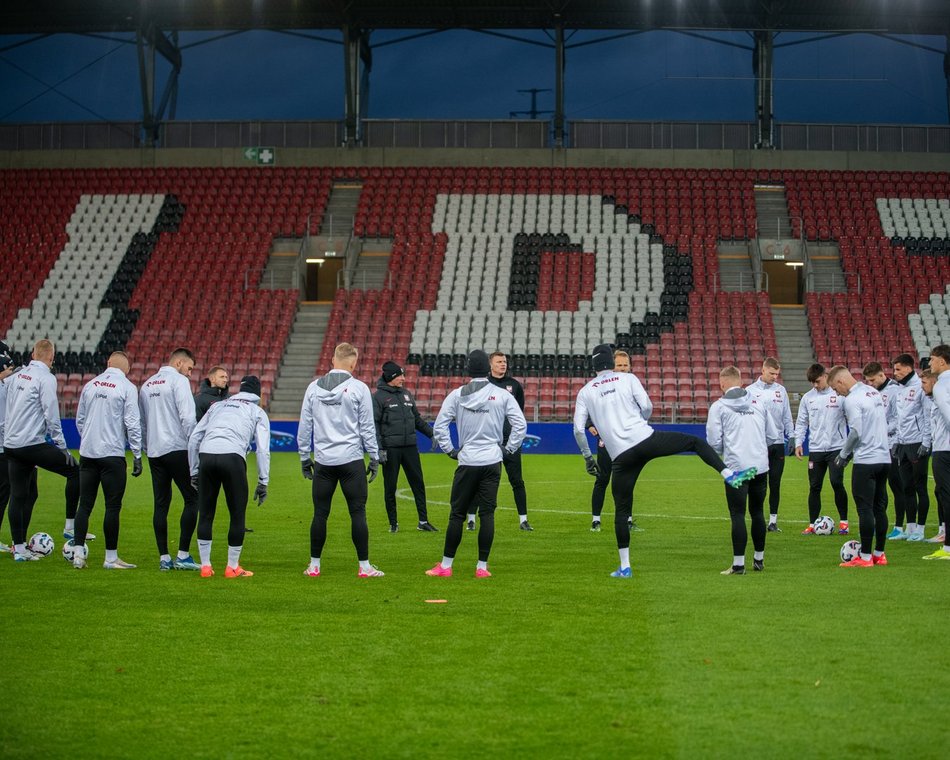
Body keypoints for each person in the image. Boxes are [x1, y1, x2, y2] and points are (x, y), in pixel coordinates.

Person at [573, 343, 757, 579]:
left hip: (621, 456)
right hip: (646, 439)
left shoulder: (585, 391)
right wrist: (639, 423)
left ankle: (625, 566)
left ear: (594, 365)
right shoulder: (627, 379)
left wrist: (588, 457)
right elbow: (647, 406)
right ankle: (728, 474)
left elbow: (579, 429)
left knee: (621, 510)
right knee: (694, 442)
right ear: (611, 362)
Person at [426, 350, 527, 578]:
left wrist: (450, 450)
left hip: (468, 460)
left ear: (469, 369)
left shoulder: (457, 394)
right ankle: (482, 567)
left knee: (457, 515)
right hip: (492, 461)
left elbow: (440, 426)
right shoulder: (501, 394)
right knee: (487, 514)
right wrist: (508, 449)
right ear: (487, 368)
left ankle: (446, 565)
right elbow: (520, 424)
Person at [298, 342, 383, 578]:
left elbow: (305, 426)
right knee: (358, 513)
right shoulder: (359, 388)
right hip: (351, 460)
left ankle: (314, 565)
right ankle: (364, 567)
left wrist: (305, 457)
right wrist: (374, 457)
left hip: (324, 461)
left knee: (320, 513)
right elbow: (367, 427)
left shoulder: (313, 388)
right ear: (354, 363)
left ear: (332, 360)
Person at [3, 339, 81, 561]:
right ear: (52, 357)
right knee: (74, 470)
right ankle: (69, 526)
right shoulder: (45, 378)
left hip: (11, 444)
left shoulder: (17, 376)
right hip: (31, 443)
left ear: (33, 354)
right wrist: (62, 447)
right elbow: (51, 414)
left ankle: (19, 550)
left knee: (20, 494)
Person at [188, 375, 269, 578]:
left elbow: (194, 438)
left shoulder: (218, 406)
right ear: (257, 394)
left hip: (207, 455)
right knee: (237, 514)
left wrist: (194, 471)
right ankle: (232, 567)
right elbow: (262, 449)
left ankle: (205, 567)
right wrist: (263, 481)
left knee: (206, 513)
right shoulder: (256, 411)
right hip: (232, 457)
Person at [71, 351, 143, 570]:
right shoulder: (127, 387)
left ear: (108, 362)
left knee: (85, 505)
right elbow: (132, 422)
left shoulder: (90, 385)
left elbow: (80, 420)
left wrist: (90, 440)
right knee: (112, 507)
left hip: (88, 453)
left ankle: (77, 554)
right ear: (127, 369)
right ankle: (110, 558)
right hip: (112, 454)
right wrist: (137, 454)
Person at [706, 366, 775, 574]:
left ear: (722, 383)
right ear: (741, 381)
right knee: (757, 513)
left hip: (737, 469)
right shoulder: (759, 402)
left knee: (737, 514)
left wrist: (727, 449)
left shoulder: (719, 407)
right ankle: (759, 560)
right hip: (759, 467)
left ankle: (738, 565)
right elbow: (772, 435)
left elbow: (713, 441)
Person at [140, 348, 201, 571]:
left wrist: (147, 448)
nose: (190, 373)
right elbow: (187, 417)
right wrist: (195, 447)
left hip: (155, 452)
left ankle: (164, 558)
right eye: (190, 368)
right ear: (179, 363)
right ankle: (183, 555)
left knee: (161, 504)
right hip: (177, 448)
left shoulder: (147, 385)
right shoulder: (178, 381)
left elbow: (143, 423)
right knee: (193, 498)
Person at [827, 366, 891, 567]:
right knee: (880, 508)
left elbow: (856, 431)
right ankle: (879, 554)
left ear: (840, 382)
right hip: (884, 458)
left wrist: (843, 455)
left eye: (836, 390)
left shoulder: (852, 400)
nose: (837, 394)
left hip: (866, 460)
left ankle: (864, 557)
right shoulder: (873, 392)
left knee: (865, 509)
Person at [465, 351, 532, 531]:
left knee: (517, 480)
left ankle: (523, 520)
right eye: (499, 362)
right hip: (488, 441)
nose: (503, 364)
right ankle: (471, 518)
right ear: (490, 365)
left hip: (509, 442)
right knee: (479, 481)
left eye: (504, 361)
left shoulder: (514, 385)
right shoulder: (483, 385)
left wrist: (513, 441)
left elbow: (518, 414)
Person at [373, 360, 437, 533]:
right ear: (391, 377)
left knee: (418, 484)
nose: (403, 378)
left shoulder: (406, 394)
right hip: (390, 449)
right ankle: (393, 523)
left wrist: (431, 434)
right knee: (390, 487)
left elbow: (416, 419)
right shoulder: (378, 397)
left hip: (410, 448)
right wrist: (379, 449)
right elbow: (375, 425)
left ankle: (423, 521)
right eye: (400, 375)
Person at [794, 363, 850, 535]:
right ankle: (812, 524)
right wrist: (798, 443)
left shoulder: (839, 395)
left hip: (836, 448)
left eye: (817, 381)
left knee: (836, 482)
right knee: (814, 486)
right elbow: (802, 422)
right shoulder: (808, 398)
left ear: (825, 376)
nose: (815, 385)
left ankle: (844, 523)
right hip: (816, 449)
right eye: (812, 383)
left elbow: (851, 419)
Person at [588, 350, 638, 532]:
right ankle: (596, 520)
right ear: (612, 367)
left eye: (626, 365)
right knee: (602, 479)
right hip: (607, 440)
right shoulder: (602, 386)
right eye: (619, 365)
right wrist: (589, 424)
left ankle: (628, 520)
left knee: (627, 482)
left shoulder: (633, 384)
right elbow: (588, 404)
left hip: (628, 441)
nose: (623, 369)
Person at [746, 357, 794, 532]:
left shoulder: (781, 391)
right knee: (758, 483)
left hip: (778, 444)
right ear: (763, 370)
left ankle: (773, 521)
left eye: (777, 374)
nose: (775, 377)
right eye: (772, 373)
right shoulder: (749, 391)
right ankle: (756, 517)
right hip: (758, 444)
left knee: (775, 483)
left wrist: (793, 436)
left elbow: (787, 417)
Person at [0, 341, 38, 554]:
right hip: (12, 448)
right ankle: (20, 543)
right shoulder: (4, 388)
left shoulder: (9, 385)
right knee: (17, 493)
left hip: (15, 446)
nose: (11, 370)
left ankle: (20, 541)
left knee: (24, 493)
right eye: (8, 367)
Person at [891, 353, 931, 542]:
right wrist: (898, 441)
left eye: (898, 369)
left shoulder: (921, 387)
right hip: (904, 444)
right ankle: (910, 527)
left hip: (917, 443)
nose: (895, 373)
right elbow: (899, 419)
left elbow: (927, 416)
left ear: (909, 368)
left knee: (920, 487)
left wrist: (926, 442)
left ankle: (921, 530)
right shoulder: (899, 390)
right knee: (906, 487)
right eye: (894, 369)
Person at [863, 361, 904, 539]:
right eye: (868, 381)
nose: (870, 384)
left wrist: (881, 429)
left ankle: (900, 527)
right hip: (876, 446)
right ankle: (877, 523)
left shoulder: (894, 391)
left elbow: (898, 417)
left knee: (896, 486)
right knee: (878, 489)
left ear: (882, 375)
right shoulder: (870, 393)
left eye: (873, 380)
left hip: (892, 444)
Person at [923, 345, 950, 560]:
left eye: (932, 359)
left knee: (946, 496)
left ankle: (948, 548)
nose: (930, 363)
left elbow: (947, 414)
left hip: (944, 449)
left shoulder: (941, 386)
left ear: (942, 361)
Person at [920, 368, 945, 543]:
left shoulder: (942, 399)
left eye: (924, 382)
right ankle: (943, 529)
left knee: (943, 492)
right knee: (940, 491)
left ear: (934, 383)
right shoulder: (932, 400)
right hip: (938, 448)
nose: (922, 387)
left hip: (945, 450)